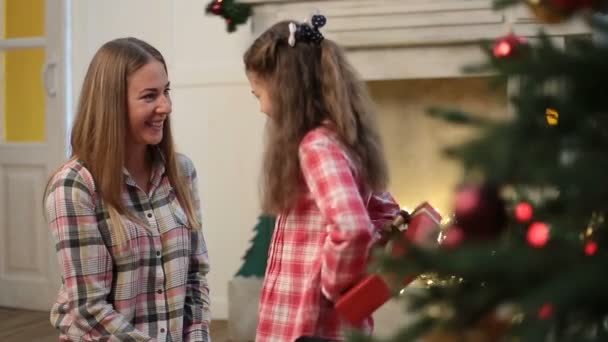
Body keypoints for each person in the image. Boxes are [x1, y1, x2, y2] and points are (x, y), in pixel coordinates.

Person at [243, 15, 400, 342]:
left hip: (308, 325)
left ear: (285, 90)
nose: (261, 108)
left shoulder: (316, 147)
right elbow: (386, 213)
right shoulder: (344, 140)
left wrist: (334, 285)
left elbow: (353, 229)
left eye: (259, 94)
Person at [44, 37, 210, 342]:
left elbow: (195, 280)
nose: (166, 107)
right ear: (112, 104)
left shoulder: (181, 172)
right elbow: (89, 310)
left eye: (166, 92)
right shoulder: (74, 186)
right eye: (150, 96)